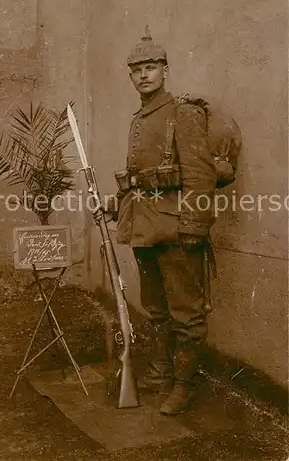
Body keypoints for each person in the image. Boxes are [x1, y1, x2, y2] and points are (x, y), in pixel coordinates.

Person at [95, 28, 217, 415]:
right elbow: (140, 177)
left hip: (178, 230)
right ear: (130, 76)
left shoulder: (183, 113)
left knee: (186, 313)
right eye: (137, 70)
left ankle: (184, 386)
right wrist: (114, 207)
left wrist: (194, 228)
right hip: (145, 230)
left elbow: (200, 175)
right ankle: (164, 371)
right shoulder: (140, 118)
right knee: (157, 308)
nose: (144, 75)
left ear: (165, 70)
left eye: (151, 67)